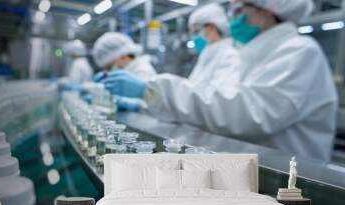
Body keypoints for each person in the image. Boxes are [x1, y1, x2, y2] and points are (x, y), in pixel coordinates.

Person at [101, 0, 338, 161]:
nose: (232, 19)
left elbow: (245, 113)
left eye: (239, 10)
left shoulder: (299, 52)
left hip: (291, 178)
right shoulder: (251, 53)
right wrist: (147, 99)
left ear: (267, 10)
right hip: (255, 166)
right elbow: (214, 102)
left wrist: (153, 90)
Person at [92, 32, 157, 111]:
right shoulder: (129, 70)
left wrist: (124, 103)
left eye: (109, 66)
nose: (109, 71)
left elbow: (150, 106)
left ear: (123, 56)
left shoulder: (143, 70)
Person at [187, 3, 239, 86]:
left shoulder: (229, 56)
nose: (195, 37)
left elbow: (217, 95)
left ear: (212, 27)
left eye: (197, 31)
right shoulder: (206, 53)